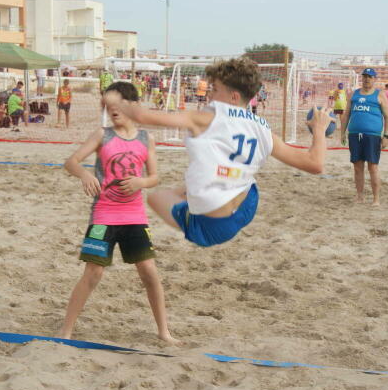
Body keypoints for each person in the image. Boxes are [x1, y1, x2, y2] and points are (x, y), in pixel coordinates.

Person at [103, 57, 332, 247]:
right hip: (248, 203)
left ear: (233, 97)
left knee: (155, 197)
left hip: (214, 224)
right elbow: (315, 164)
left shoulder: (206, 117)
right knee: (211, 171)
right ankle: (200, 189)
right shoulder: (263, 128)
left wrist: (115, 101)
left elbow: (143, 117)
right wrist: (319, 130)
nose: (209, 95)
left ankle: (194, 200)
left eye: (215, 89)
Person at [58, 81, 178, 345]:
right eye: (109, 106)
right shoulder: (102, 135)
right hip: (104, 214)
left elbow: (154, 177)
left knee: (148, 271)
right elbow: (71, 162)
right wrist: (85, 173)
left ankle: (163, 332)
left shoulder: (147, 139)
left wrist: (140, 182)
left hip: (134, 215)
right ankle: (65, 332)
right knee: (93, 273)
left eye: (118, 105)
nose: (113, 110)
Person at [339, 68, 388, 206]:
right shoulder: (353, 94)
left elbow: (387, 117)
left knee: (373, 167)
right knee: (357, 167)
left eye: (370, 76)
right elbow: (346, 115)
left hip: (372, 136)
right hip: (355, 135)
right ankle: (360, 196)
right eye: (365, 76)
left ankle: (376, 199)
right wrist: (342, 132)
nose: (367, 79)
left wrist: (386, 136)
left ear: (374, 79)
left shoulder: (379, 95)